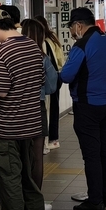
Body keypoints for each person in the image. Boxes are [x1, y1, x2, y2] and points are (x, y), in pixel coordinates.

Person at [0, 9, 51, 210]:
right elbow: (41, 82)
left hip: (6, 128)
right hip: (30, 126)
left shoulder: (2, 51)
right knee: (27, 178)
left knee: (8, 180)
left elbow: (1, 91)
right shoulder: (33, 46)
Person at [59, 7, 106, 210]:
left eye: (71, 27)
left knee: (92, 155)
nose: (71, 32)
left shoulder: (82, 45)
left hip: (88, 106)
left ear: (79, 25)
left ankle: (95, 201)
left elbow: (66, 76)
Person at [19, 19, 59, 210]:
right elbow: (52, 86)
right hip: (37, 107)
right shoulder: (42, 58)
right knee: (37, 156)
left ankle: (18, 201)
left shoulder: (12, 55)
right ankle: (35, 202)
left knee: (19, 156)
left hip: (16, 110)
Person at [32, 15, 66, 152]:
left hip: (47, 81)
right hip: (56, 75)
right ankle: (53, 139)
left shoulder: (43, 43)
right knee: (54, 108)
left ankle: (46, 142)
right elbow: (60, 60)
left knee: (47, 110)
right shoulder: (52, 38)